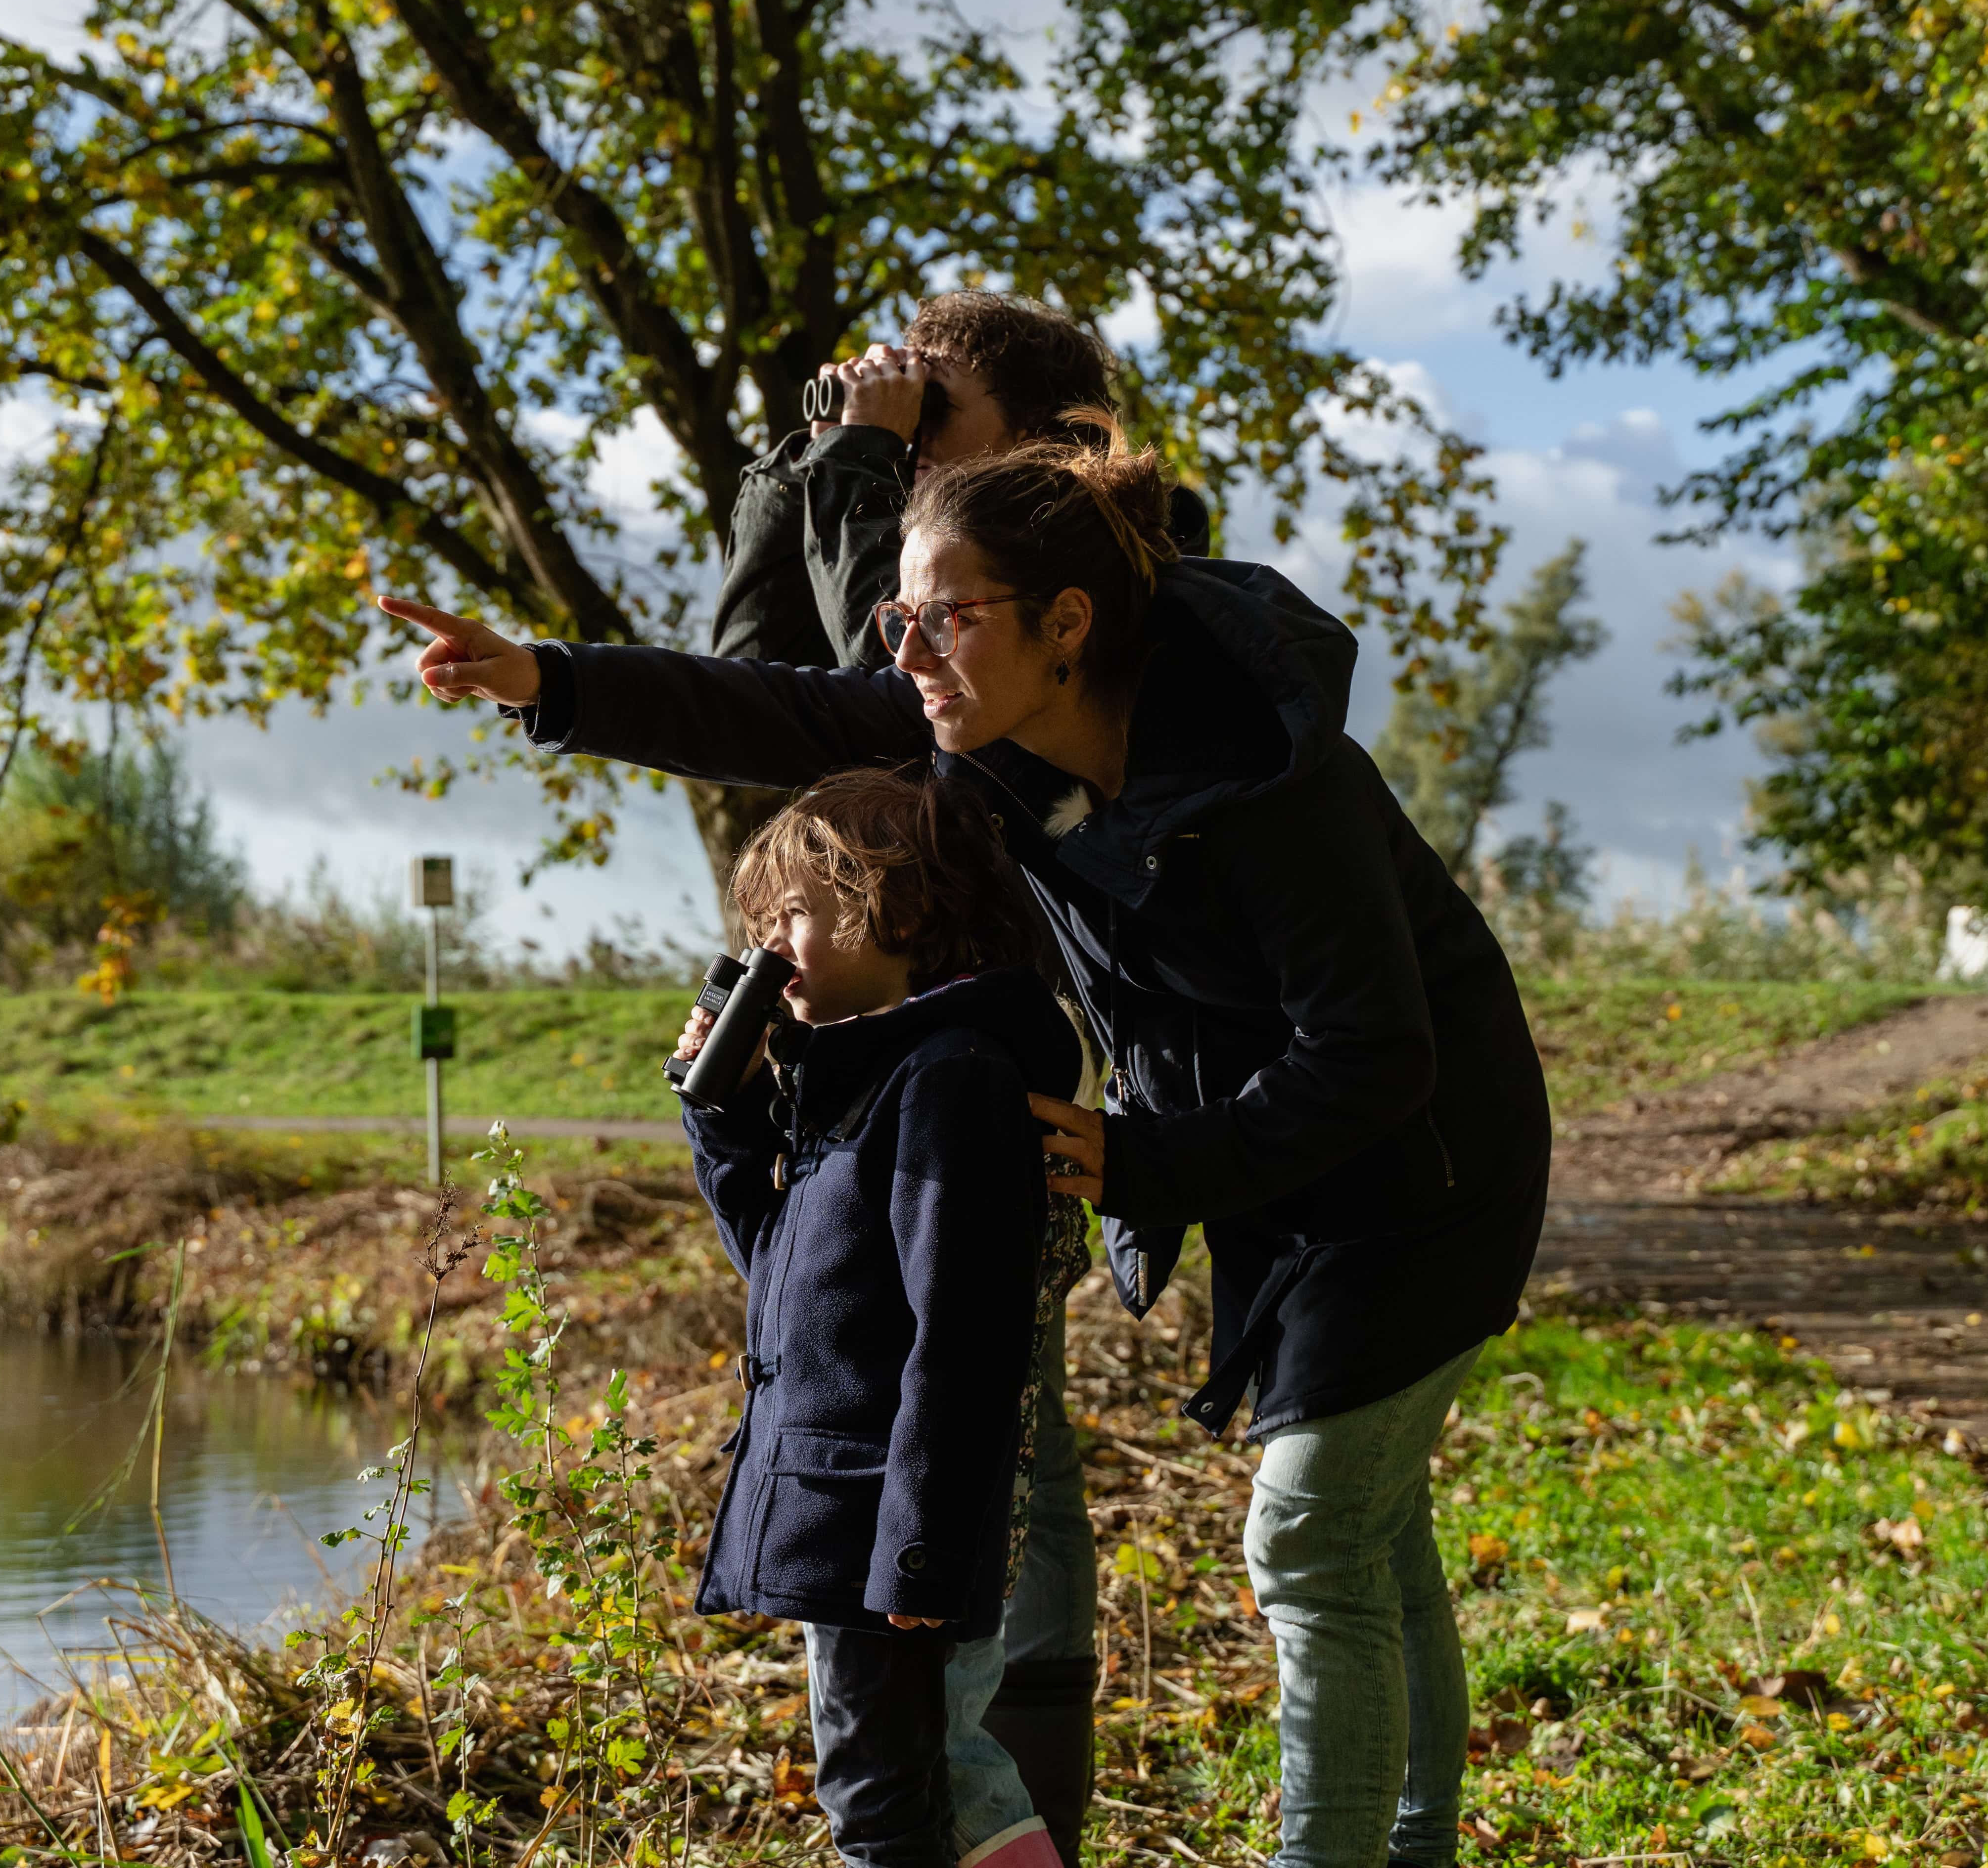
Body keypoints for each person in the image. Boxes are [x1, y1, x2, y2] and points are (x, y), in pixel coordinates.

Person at [376, 431, 1551, 1868]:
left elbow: (1376, 1053)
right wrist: (547, 679)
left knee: (1309, 1538)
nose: (911, 653)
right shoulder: (988, 744)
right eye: (899, 619)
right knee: (1369, 1533)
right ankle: (1415, 1841)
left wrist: (1148, 1162)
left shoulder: (1264, 776)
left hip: (1429, 1169)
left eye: (948, 616)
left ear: (1067, 624)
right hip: (1287, 1171)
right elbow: (784, 710)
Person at [677, 769, 1085, 1868]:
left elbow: (964, 1336)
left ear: (896, 908)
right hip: (851, 1516)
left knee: (885, 1802)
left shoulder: (949, 1079)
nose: (767, 946)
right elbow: (780, 1274)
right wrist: (725, 1116)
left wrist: (919, 1546)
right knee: (937, 1784)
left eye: (790, 914)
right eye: (758, 925)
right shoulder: (862, 1081)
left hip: (887, 1527)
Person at [712, 289, 1212, 673]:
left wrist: (853, 457)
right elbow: (743, 712)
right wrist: (812, 469)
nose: (911, 432)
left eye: (933, 407)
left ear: (1034, 436)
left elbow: (896, 677)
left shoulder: (1102, 566)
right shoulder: (892, 530)